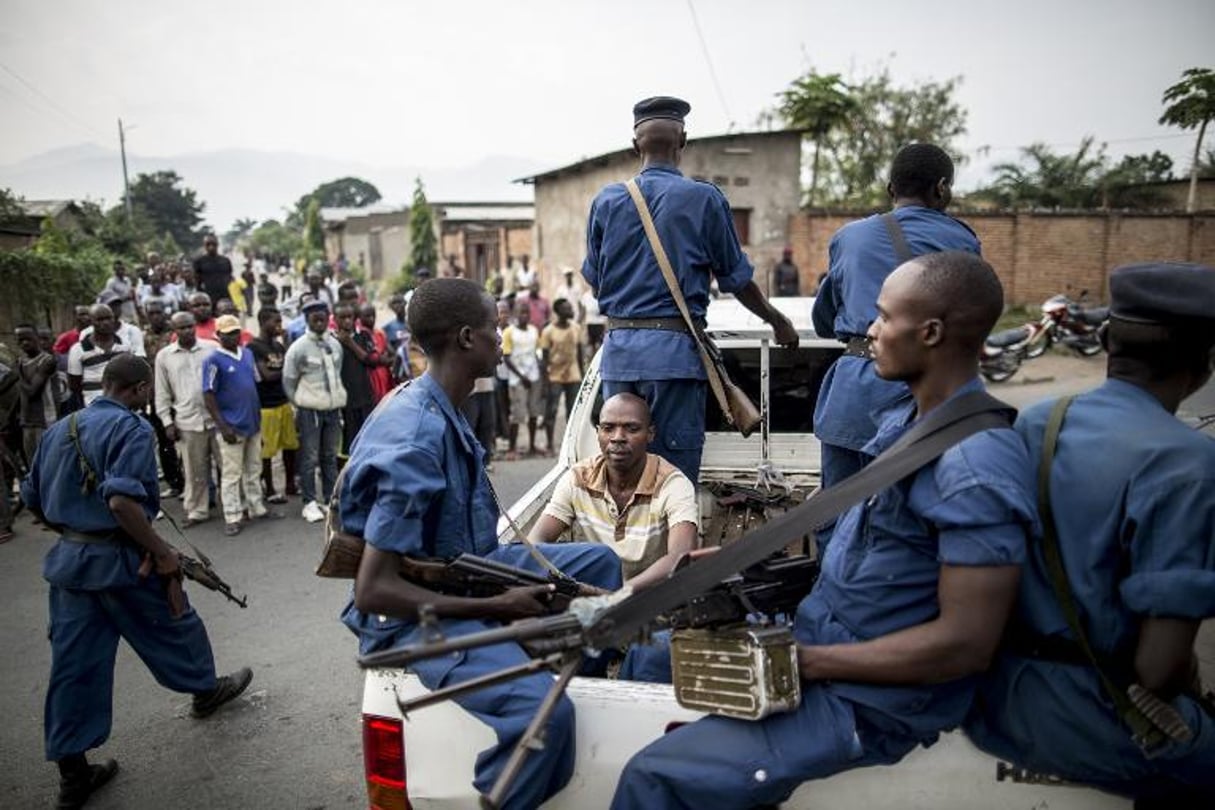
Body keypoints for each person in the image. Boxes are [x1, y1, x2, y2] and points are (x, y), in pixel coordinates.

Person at [610, 250, 1036, 810]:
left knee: (653, 777)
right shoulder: (904, 424)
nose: (871, 331)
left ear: (930, 333)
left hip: (872, 701)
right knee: (646, 658)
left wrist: (802, 661)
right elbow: (875, 559)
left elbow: (964, 646)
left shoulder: (974, 466)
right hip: (823, 641)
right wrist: (744, 571)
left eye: (883, 318)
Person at [338, 278, 623, 810]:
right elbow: (374, 590)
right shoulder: (415, 438)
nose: (503, 336)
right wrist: (497, 605)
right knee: (548, 718)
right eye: (495, 327)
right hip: (414, 620)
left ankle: (562, 671)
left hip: (468, 567)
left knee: (600, 564)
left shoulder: (444, 403)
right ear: (468, 338)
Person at [965, 262, 1215, 805]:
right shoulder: (1191, 463)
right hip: (1099, 719)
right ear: (1203, 367)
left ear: (1106, 343)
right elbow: (1158, 668)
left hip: (1001, 702)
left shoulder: (1039, 422)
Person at [21, 354, 252, 810]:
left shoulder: (58, 430)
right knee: (174, 622)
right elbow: (123, 504)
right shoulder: (131, 429)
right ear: (143, 389)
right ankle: (205, 691)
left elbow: (32, 499)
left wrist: (75, 532)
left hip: (70, 563)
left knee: (74, 666)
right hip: (124, 560)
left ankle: (74, 775)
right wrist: (163, 553)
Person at [583, 96, 798, 484]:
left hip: (619, 356)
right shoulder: (704, 199)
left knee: (622, 473)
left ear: (636, 145)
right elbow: (737, 279)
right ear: (683, 141)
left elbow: (595, 278)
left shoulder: (606, 201)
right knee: (674, 479)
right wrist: (778, 321)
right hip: (674, 360)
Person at [810, 143, 980, 500]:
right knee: (911, 512)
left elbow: (823, 319)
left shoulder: (849, 237)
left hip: (852, 393)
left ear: (891, 190)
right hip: (923, 396)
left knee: (836, 510)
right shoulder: (961, 240)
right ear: (942, 188)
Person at [530, 392, 697, 590]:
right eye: (608, 428)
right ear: (598, 432)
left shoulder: (673, 484)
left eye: (631, 428)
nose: (618, 438)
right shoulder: (578, 478)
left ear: (651, 434)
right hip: (587, 598)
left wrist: (616, 595)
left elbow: (681, 558)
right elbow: (535, 544)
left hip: (648, 599)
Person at [202, 315, 279, 536]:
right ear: (219, 335)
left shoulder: (247, 354)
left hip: (252, 422)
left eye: (236, 331)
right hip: (231, 426)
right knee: (231, 474)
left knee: (254, 469)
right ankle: (233, 515)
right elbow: (208, 394)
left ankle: (256, 507)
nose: (233, 336)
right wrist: (222, 426)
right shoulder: (213, 360)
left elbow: (255, 382)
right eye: (228, 333)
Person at [282, 299, 346, 523]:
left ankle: (330, 500)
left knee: (329, 456)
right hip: (310, 411)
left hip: (333, 410)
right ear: (307, 319)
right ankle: (309, 502)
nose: (319, 319)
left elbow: (338, 373)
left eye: (322, 315)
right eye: (313, 316)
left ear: (328, 316)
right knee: (309, 458)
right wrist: (300, 404)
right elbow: (289, 381)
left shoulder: (335, 344)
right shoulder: (298, 348)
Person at [155, 312, 219, 527]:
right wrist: (167, 422)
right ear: (174, 330)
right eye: (181, 328)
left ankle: (236, 507)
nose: (187, 331)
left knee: (228, 467)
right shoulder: (165, 356)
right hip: (187, 420)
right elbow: (162, 392)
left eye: (190, 326)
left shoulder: (212, 347)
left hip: (217, 418)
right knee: (194, 471)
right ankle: (197, 511)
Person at [247, 307, 299, 505]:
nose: (279, 326)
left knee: (290, 446)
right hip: (266, 406)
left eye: (280, 322)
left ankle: (290, 484)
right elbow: (266, 376)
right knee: (267, 451)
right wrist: (286, 370)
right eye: (275, 322)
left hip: (283, 402)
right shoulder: (254, 347)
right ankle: (269, 489)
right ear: (263, 322)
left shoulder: (278, 346)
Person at [140, 301, 185, 499]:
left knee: (185, 440)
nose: (156, 316)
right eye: (152, 313)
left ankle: (189, 483)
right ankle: (175, 482)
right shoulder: (144, 337)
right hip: (157, 395)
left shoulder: (173, 334)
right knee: (164, 441)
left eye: (159, 312)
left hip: (179, 393)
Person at [68, 304, 138, 408]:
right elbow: (74, 385)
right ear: (91, 322)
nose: (105, 323)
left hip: (122, 408)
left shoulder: (124, 346)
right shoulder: (78, 350)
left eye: (108, 318)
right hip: (93, 409)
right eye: (100, 320)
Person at [333, 302, 376, 460]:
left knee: (367, 438)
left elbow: (371, 360)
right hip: (344, 401)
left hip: (365, 397)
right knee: (347, 444)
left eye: (349, 317)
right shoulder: (332, 341)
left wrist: (350, 343)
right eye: (342, 317)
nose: (346, 321)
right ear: (335, 319)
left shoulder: (362, 336)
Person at [539, 298, 583, 452]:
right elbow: (544, 360)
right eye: (567, 308)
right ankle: (550, 444)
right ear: (558, 312)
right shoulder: (548, 331)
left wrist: (584, 378)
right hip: (555, 375)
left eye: (570, 307)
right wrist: (544, 383)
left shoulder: (576, 328)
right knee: (552, 410)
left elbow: (580, 353)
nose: (570, 310)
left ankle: (571, 445)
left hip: (573, 374)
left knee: (573, 412)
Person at [502, 300, 543, 459]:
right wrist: (521, 376)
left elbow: (537, 351)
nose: (524, 315)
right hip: (517, 379)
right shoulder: (509, 332)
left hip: (533, 376)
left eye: (526, 312)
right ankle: (512, 448)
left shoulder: (533, 330)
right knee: (517, 414)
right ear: (515, 314)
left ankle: (532, 446)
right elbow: (506, 357)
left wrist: (539, 365)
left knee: (534, 412)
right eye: (521, 312)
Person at [15, 323, 58, 463]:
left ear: (37, 338)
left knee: (47, 462)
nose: (25, 343)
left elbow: (32, 391)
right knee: (32, 464)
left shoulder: (47, 361)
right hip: (27, 421)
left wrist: (17, 373)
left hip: (44, 420)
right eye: (20, 340)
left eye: (28, 338)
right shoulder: (21, 362)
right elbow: (20, 395)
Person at [358, 304, 394, 402]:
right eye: (367, 316)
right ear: (360, 317)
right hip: (372, 374)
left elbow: (390, 351)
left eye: (373, 315)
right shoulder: (361, 335)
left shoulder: (379, 333)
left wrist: (387, 358)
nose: (372, 319)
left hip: (384, 372)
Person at [192, 234, 234, 306]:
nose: (211, 247)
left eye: (214, 244)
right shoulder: (199, 261)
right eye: (208, 244)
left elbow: (230, 278)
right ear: (204, 245)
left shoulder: (225, 261)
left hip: (225, 296)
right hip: (208, 297)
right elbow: (197, 281)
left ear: (217, 245)